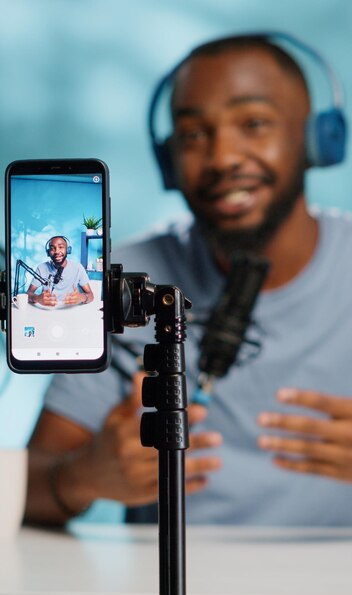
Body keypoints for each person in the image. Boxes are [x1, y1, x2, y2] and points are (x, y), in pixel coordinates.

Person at [25, 33, 352, 527]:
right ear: (168, 161)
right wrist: (83, 476)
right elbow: (27, 487)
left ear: (316, 140)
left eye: (254, 123)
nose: (222, 157)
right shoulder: (123, 283)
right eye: (194, 134)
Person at [27, 236, 94, 306]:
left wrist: (82, 297)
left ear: (68, 250)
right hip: (48, 310)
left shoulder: (78, 268)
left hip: (70, 309)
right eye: (52, 248)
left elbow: (91, 295)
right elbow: (29, 293)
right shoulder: (41, 268)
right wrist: (37, 298)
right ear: (48, 252)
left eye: (61, 247)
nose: (56, 251)